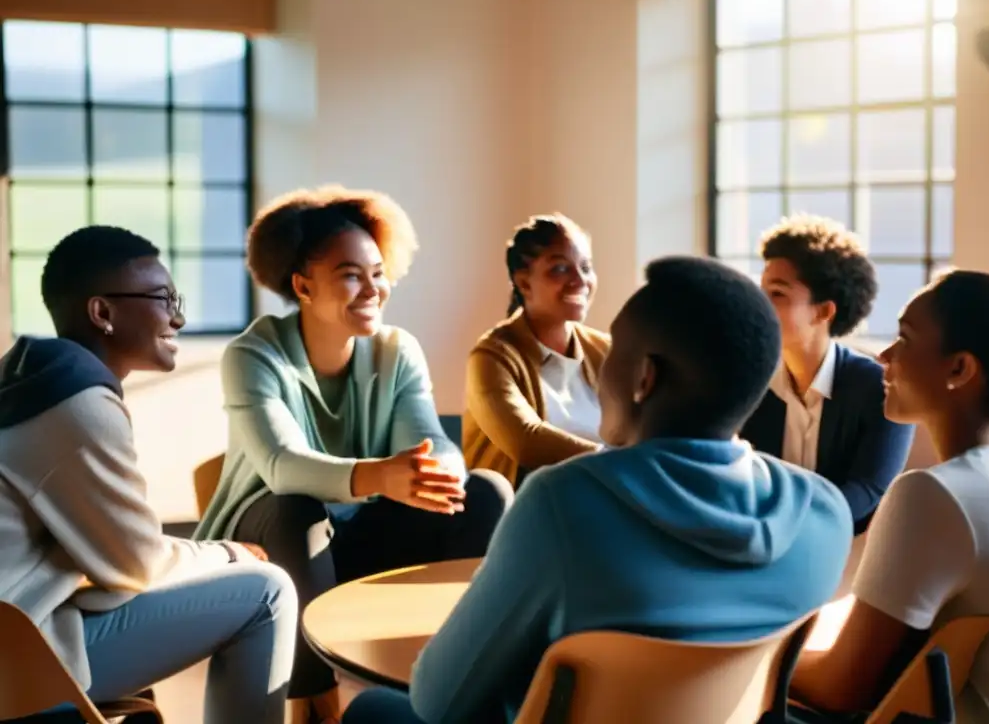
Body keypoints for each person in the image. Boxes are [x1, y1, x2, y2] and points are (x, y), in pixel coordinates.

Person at [343, 256, 855, 724]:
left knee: (371, 709)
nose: (600, 370)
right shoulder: (822, 514)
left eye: (613, 351)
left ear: (643, 378)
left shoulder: (561, 505)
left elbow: (440, 701)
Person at [194, 185, 513, 724]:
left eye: (377, 272)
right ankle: (315, 706)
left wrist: (436, 471)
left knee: (483, 491)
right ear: (303, 285)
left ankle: (460, 673)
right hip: (269, 540)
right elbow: (281, 466)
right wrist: (380, 476)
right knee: (298, 509)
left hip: (358, 533)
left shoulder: (397, 349)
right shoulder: (252, 355)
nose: (373, 289)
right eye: (350, 274)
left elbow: (431, 440)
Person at [0, 226, 297, 724]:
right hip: (20, 659)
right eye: (163, 299)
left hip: (19, 632)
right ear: (103, 313)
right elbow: (136, 563)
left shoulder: (31, 379)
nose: (178, 316)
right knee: (267, 591)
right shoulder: (76, 403)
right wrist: (224, 552)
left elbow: (116, 563)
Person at [791, 269, 989, 724]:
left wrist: (755, 650)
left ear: (959, 369)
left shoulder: (932, 493)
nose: (884, 355)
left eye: (905, 338)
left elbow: (840, 687)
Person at [741, 215, 914, 532]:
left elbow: (868, 490)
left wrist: (790, 528)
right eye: (760, 291)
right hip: (761, 541)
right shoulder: (749, 381)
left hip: (844, 548)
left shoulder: (880, 388)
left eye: (777, 294)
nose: (760, 306)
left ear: (823, 311)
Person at [462, 213, 610, 488]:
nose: (580, 280)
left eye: (586, 267)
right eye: (560, 269)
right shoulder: (492, 357)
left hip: (602, 500)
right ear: (524, 283)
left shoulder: (607, 350)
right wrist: (618, 462)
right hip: (527, 512)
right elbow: (527, 440)